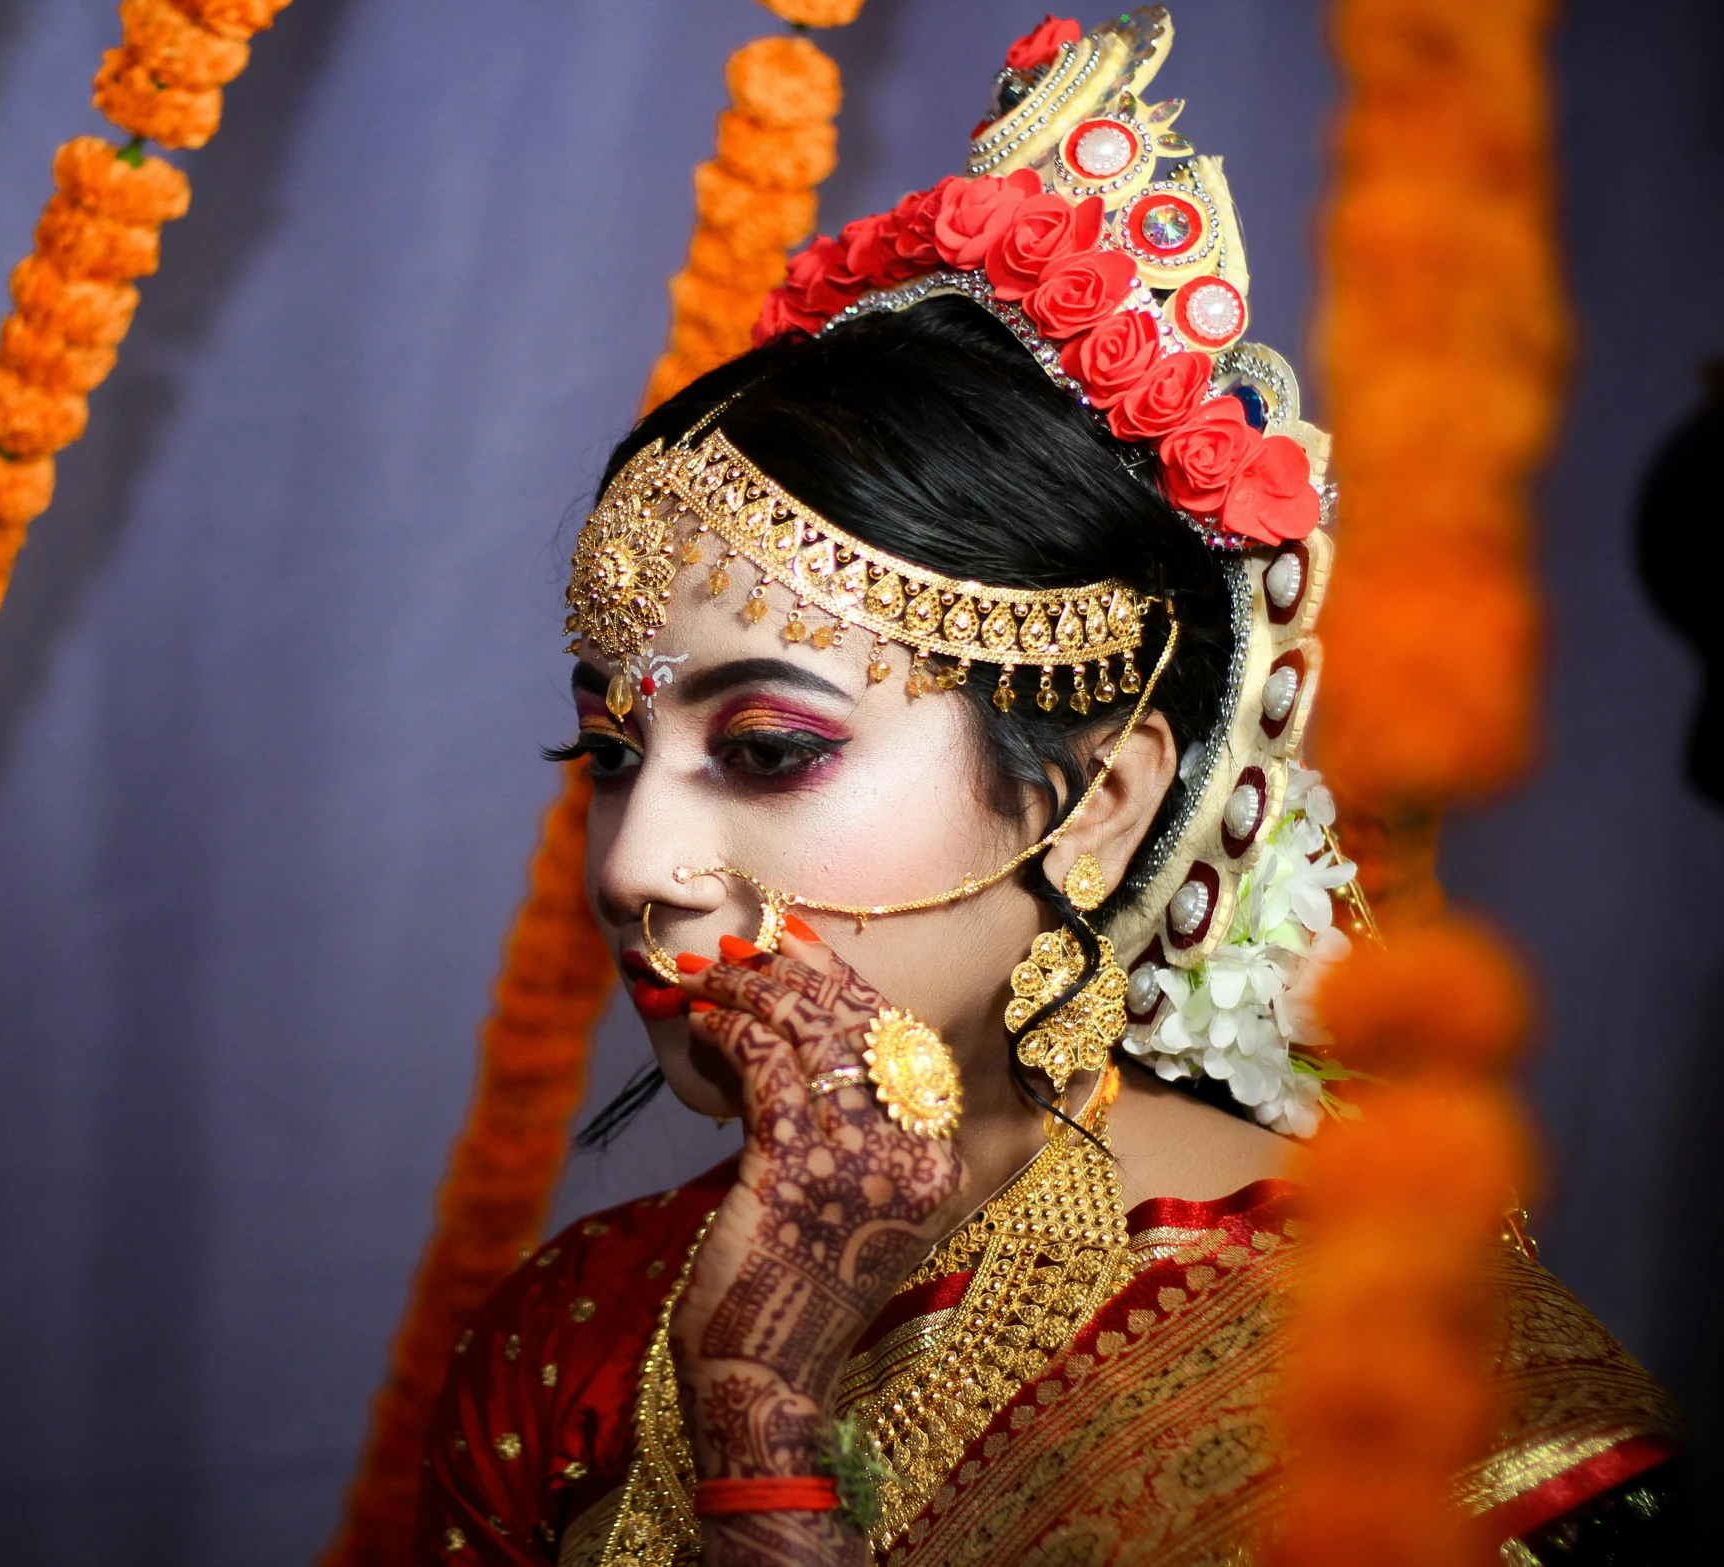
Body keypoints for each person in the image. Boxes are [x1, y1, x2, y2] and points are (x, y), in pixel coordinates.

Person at [414, 10, 1679, 1565]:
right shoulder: (572, 1330)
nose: (637, 862)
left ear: (1096, 802)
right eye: (614, 755)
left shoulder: (1390, 1389)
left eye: (765, 752)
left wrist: (763, 1432)